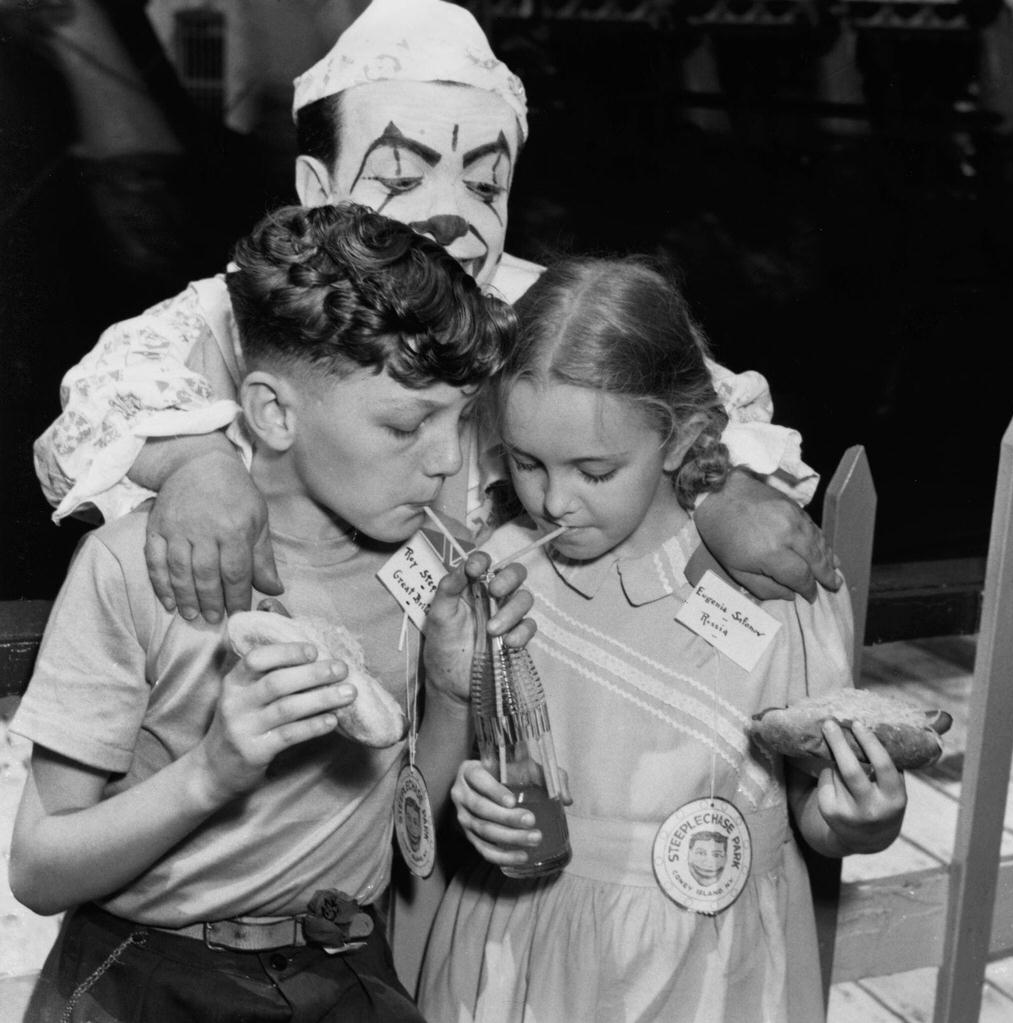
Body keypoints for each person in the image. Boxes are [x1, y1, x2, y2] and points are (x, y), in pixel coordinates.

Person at [31, 0, 834, 630]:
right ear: (318, 187)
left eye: (483, 185)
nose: (449, 215)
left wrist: (728, 488)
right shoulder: (252, 306)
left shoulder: (539, 306)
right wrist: (195, 464)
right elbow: (105, 393)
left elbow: (694, 398)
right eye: (402, 177)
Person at [7, 203, 533, 1023]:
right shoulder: (133, 567)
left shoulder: (427, 563)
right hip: (140, 972)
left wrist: (453, 692)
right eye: (407, 423)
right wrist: (213, 769)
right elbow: (39, 870)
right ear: (274, 411)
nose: (446, 460)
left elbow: (403, 839)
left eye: (463, 419)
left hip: (345, 968)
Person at [414, 257, 908, 1023]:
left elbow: (814, 807)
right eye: (526, 461)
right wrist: (480, 818)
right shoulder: (500, 574)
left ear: (681, 440)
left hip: (711, 974)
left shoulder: (776, 589)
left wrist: (860, 820)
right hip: (520, 955)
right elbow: (461, 776)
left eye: (594, 469)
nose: (553, 499)